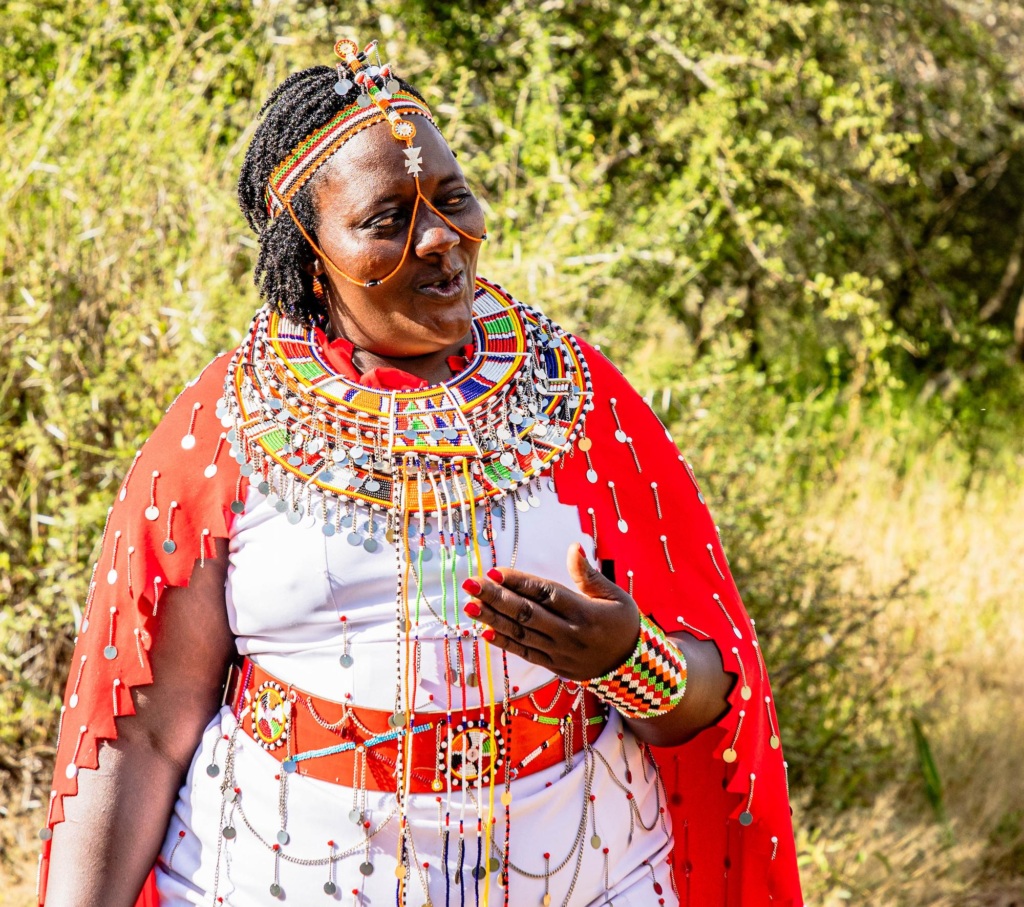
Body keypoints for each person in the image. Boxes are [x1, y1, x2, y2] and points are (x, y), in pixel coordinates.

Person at [38, 37, 802, 907]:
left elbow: (711, 697)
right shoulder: (225, 426)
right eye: (387, 218)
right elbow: (142, 733)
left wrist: (628, 659)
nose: (441, 238)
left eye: (453, 198)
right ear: (310, 260)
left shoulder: (580, 400)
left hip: (586, 875)